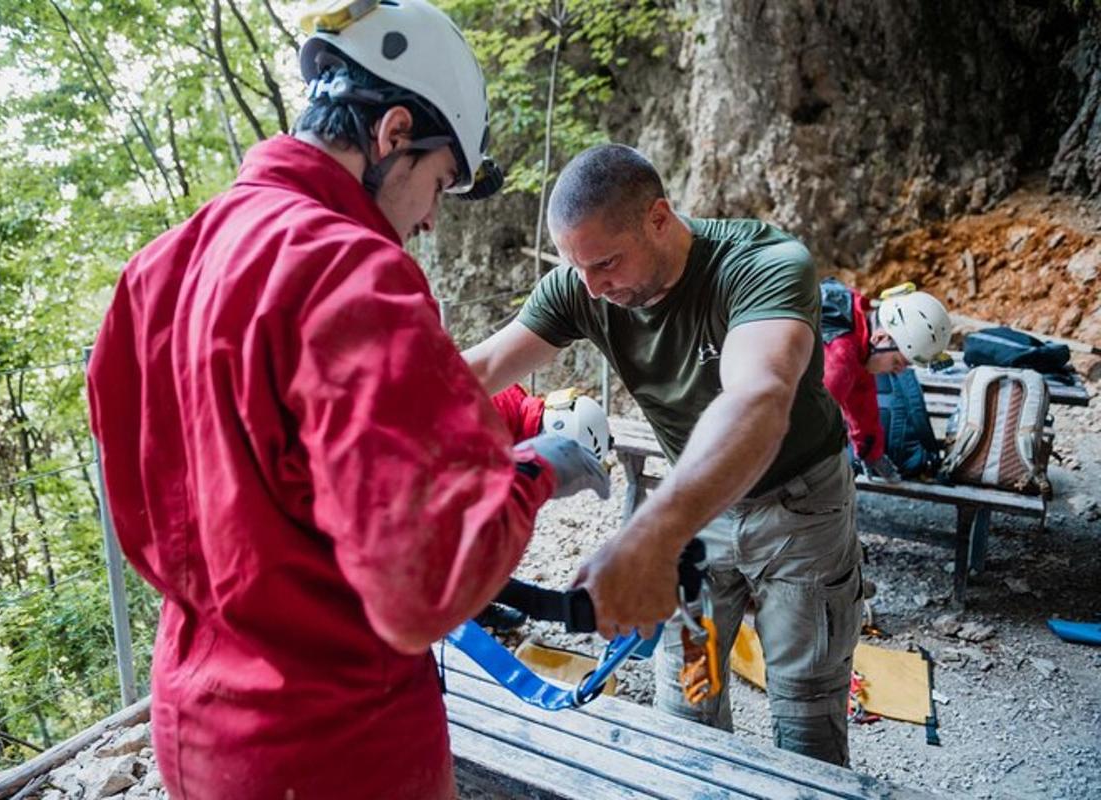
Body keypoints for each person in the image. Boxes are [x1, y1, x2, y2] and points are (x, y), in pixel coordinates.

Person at [86, 3, 607, 798]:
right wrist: (536, 471)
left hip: (197, 722)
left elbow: (148, 506)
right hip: (340, 742)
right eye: (438, 181)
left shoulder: (159, 269)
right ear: (392, 133)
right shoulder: (352, 269)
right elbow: (427, 587)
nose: (432, 218)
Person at [464, 143, 862, 766]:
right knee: (689, 699)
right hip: (699, 521)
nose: (593, 288)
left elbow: (757, 400)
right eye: (577, 268)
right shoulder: (584, 285)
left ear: (658, 217)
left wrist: (650, 536)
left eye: (606, 263)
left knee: (804, 715)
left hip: (798, 513)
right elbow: (480, 368)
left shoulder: (761, 265)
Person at [819, 278, 952, 482]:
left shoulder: (857, 328)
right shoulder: (840, 357)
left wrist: (872, 454)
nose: (898, 371)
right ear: (880, 338)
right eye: (898, 362)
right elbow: (809, 423)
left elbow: (862, 402)